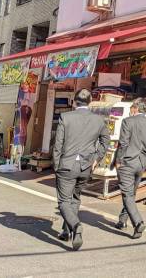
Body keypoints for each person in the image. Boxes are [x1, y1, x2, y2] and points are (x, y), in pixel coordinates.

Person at [52, 88, 110, 251]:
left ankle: (76, 226)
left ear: (74, 101)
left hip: (67, 164)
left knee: (64, 201)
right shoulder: (99, 120)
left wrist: (57, 165)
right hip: (85, 166)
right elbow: (106, 141)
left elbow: (58, 144)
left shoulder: (66, 117)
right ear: (90, 102)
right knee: (75, 198)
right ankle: (66, 230)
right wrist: (96, 159)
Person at [114, 97, 146, 239]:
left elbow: (123, 143)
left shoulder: (128, 122)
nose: (131, 109)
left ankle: (138, 223)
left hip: (127, 162)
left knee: (127, 194)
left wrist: (119, 161)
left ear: (137, 108)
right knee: (131, 194)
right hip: (140, 164)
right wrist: (145, 160)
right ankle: (122, 220)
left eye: (132, 106)